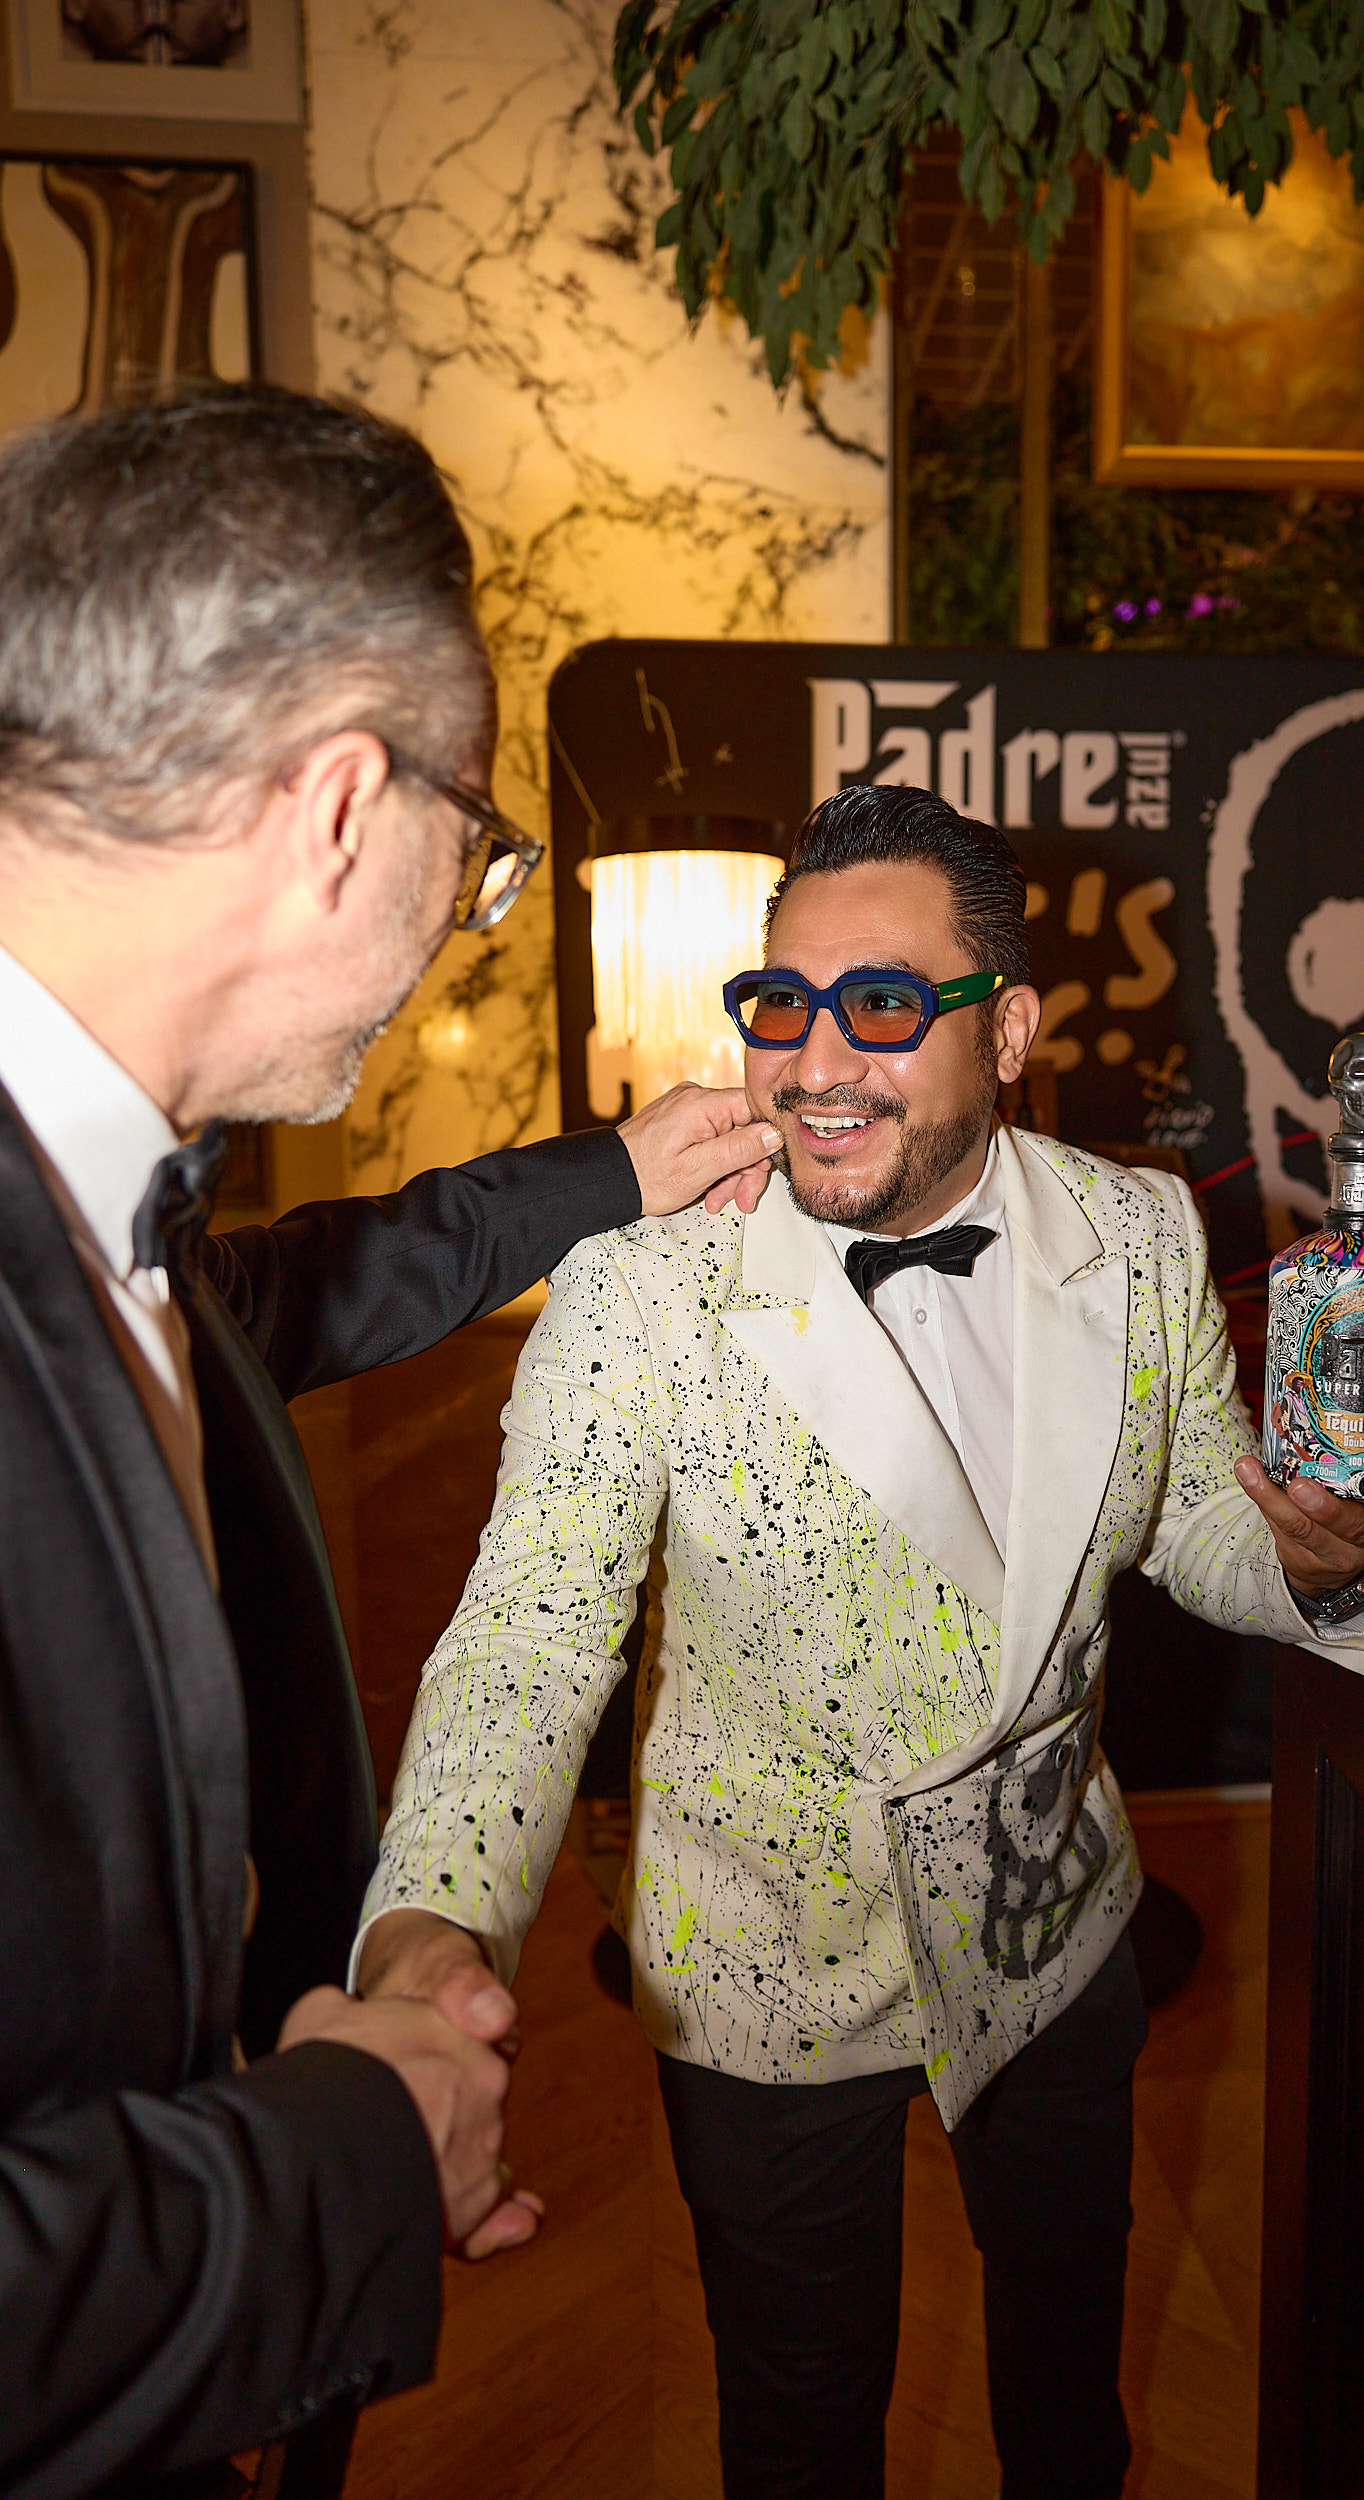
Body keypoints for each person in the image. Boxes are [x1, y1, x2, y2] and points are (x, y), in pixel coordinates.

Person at [358, 784, 1364, 2498]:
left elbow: (1189, 1519)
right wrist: (430, 1920)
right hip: (764, 1966)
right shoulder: (642, 1285)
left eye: (880, 1003)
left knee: (1070, 2402)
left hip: (1052, 1925)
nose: (814, 1060)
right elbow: (531, 1636)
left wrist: (1318, 1564)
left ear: (1006, 1031)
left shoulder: (1141, 1232)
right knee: (800, 2432)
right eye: (781, 1003)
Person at [0, 384, 780, 2498]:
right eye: (483, 848)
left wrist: (609, 1172)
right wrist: (342, 2146)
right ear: (346, 800)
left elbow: (274, 1302)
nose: (469, 905)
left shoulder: (100, 1208)